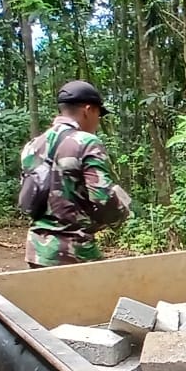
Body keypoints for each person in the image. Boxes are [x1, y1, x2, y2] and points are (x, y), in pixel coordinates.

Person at [24, 80, 131, 268]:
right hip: (75, 252)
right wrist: (122, 213)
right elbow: (102, 198)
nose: (98, 121)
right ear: (88, 110)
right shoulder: (87, 142)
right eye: (99, 114)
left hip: (36, 251)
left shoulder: (33, 145)